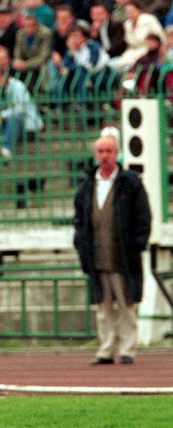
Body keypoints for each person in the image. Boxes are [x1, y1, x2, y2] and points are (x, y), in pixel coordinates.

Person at [72, 133, 151, 365]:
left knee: (127, 304)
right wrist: (80, 243)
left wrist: (138, 243)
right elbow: (79, 218)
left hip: (123, 256)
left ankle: (127, 349)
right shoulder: (87, 184)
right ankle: (105, 349)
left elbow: (143, 216)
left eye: (108, 151)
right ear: (95, 155)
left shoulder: (131, 183)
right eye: (100, 151)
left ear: (117, 154)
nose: (104, 156)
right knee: (102, 307)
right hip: (96, 255)